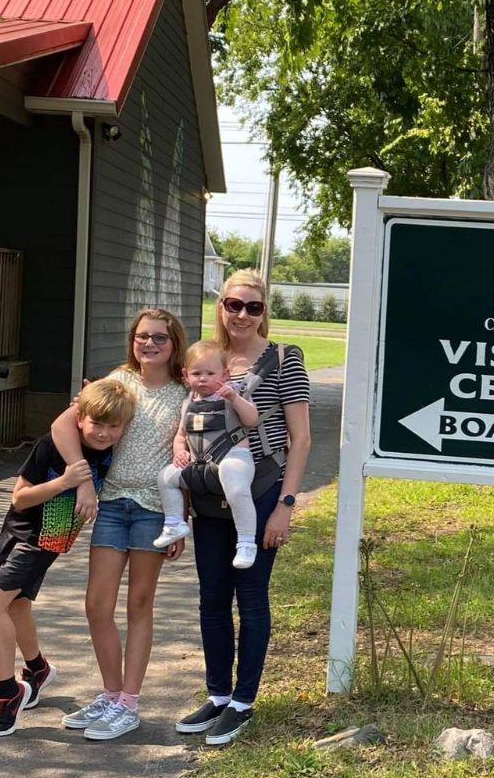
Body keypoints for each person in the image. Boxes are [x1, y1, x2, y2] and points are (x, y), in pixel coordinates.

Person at [176, 270, 311, 746]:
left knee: (250, 598)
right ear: (221, 306)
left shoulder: (283, 359)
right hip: (210, 495)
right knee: (211, 597)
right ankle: (217, 694)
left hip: (261, 492)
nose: (243, 315)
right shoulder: (205, 359)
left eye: (253, 307)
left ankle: (243, 701)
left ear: (264, 312)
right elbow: (188, 423)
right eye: (234, 305)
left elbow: (301, 439)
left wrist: (286, 506)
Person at [51, 308, 188, 741]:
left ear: (174, 343)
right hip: (112, 503)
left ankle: (129, 702)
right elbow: (63, 424)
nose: (150, 344)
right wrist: (83, 479)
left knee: (139, 606)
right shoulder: (117, 381)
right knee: (96, 604)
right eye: (142, 336)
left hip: (153, 509)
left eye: (160, 338)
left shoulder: (186, 391)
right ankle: (110, 695)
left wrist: (178, 517)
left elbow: (191, 459)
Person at [0, 378, 134, 738]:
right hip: (17, 528)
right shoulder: (54, 445)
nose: (105, 433)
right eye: (97, 424)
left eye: (114, 427)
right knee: (14, 606)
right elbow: (20, 499)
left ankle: (7, 694)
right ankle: (37, 670)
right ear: (81, 419)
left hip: (45, 538)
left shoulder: (113, 449)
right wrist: (67, 481)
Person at [154, 339, 260, 570]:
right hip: (200, 464)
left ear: (226, 373)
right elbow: (181, 434)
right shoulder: (189, 402)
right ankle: (174, 523)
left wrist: (234, 398)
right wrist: (179, 451)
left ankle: (246, 542)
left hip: (235, 457)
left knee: (236, 486)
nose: (203, 378)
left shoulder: (234, 394)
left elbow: (252, 419)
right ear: (185, 375)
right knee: (165, 477)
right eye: (196, 373)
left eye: (211, 373)